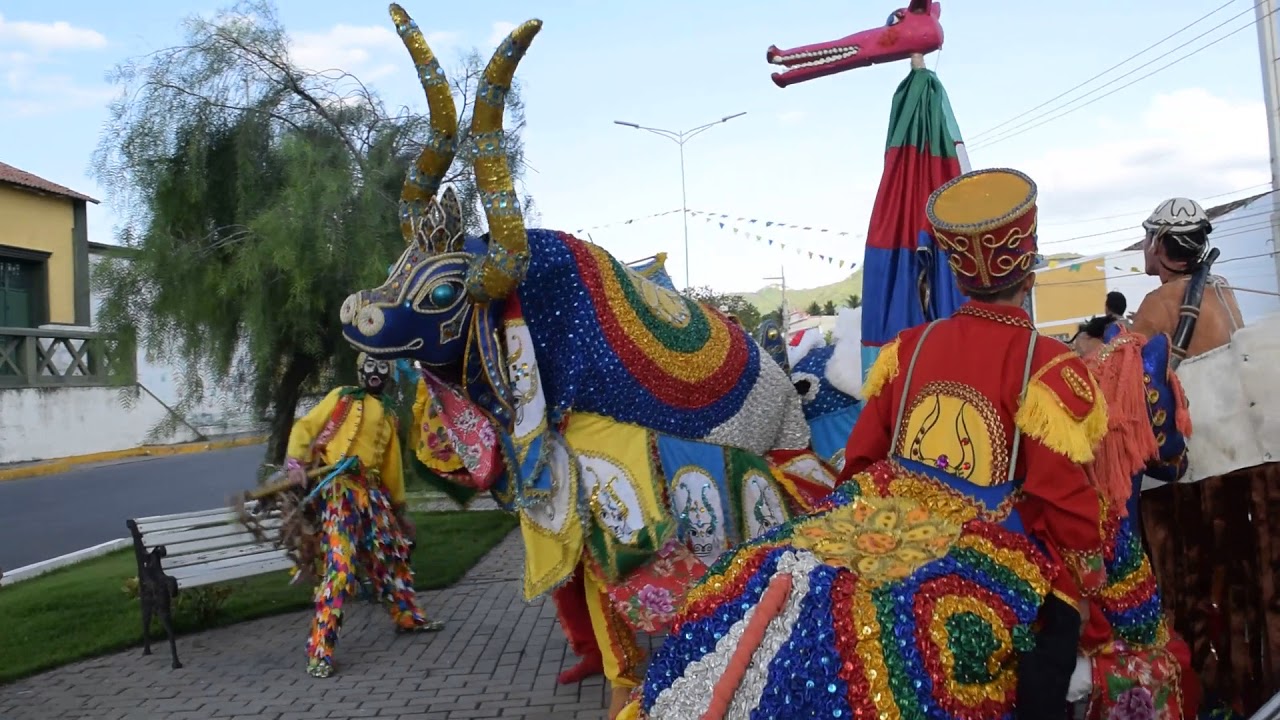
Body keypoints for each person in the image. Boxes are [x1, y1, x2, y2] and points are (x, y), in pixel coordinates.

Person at [620, 168, 1111, 720]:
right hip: (991, 544)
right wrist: (1088, 590)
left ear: (956, 272)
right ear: (1029, 271)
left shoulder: (910, 347)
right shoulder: (1049, 365)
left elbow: (861, 459)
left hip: (880, 522)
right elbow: (1064, 498)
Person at [1128, 197, 1276, 715]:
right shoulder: (1225, 291)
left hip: (1191, 475)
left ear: (1160, 245)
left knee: (1192, 593)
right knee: (1247, 588)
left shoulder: (1157, 304)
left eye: (1148, 238)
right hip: (1247, 458)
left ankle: (1207, 696)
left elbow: (1130, 386)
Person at [285, 352, 443, 678]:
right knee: (341, 569)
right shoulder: (342, 397)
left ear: (389, 373)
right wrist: (296, 462)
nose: (375, 372)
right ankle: (320, 650)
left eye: (382, 367)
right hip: (340, 492)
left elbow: (391, 466)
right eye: (370, 366)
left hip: (373, 496)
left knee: (391, 557)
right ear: (359, 369)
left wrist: (398, 510)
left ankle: (408, 617)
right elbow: (306, 426)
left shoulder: (388, 413)